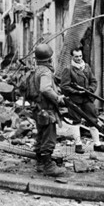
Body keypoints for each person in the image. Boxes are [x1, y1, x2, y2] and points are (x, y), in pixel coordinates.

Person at [60, 48, 104, 154]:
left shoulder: (86, 67)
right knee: (76, 121)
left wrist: (90, 90)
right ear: (72, 57)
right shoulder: (68, 69)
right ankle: (78, 145)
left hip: (87, 98)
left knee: (93, 120)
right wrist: (77, 92)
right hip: (75, 99)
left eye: (80, 56)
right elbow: (64, 86)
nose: (79, 58)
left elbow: (94, 81)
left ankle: (97, 144)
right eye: (76, 56)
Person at [33, 44, 66, 177]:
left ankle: (40, 163)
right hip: (47, 110)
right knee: (49, 137)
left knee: (41, 136)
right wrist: (58, 98)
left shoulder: (37, 70)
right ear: (49, 59)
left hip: (39, 109)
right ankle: (48, 166)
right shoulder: (46, 71)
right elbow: (45, 89)